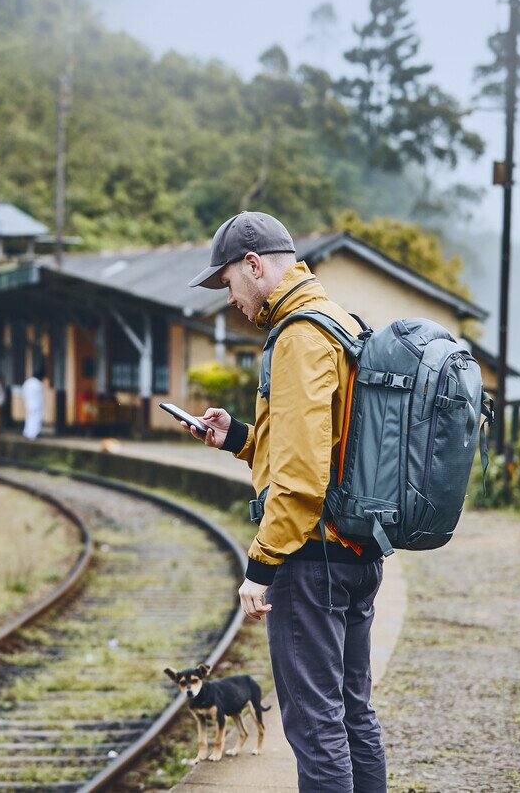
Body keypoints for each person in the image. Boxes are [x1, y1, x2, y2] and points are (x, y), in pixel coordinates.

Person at [183, 211, 387, 792]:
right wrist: (241, 439)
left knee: (315, 725)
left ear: (253, 265)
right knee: (353, 714)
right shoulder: (339, 320)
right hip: (355, 550)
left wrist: (262, 564)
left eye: (228, 283)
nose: (230, 300)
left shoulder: (298, 337)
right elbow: (327, 446)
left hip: (312, 557)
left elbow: (300, 477)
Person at [21, 367, 45, 440]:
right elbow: (40, 396)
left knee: (29, 418)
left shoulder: (27, 382)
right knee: (35, 419)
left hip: (28, 403)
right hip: (36, 404)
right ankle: (33, 434)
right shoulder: (38, 383)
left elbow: (23, 392)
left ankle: (27, 433)